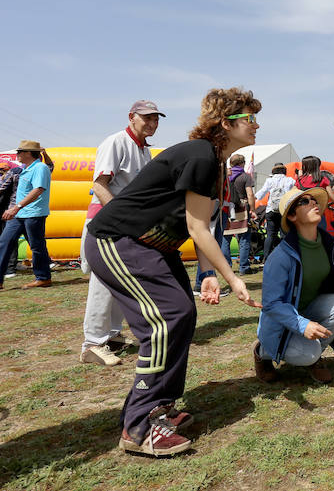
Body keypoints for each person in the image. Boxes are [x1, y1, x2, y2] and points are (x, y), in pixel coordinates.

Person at [84, 88, 262, 457]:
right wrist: (233, 277)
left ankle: (162, 405)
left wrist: (209, 272)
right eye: (249, 118)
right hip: (118, 240)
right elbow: (198, 227)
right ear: (225, 123)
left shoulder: (214, 163)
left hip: (154, 246)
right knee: (165, 321)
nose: (256, 125)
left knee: (183, 314)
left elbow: (198, 222)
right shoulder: (200, 155)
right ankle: (139, 426)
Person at [80, 100, 164, 367]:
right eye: (147, 118)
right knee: (103, 282)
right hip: (107, 222)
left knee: (119, 279)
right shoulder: (115, 142)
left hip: (124, 223)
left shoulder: (143, 150)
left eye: (156, 119)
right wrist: (121, 216)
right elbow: (99, 183)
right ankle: (92, 344)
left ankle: (112, 335)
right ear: (131, 117)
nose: (152, 123)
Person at [253, 186, 334, 385]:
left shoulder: (328, 243)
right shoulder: (280, 256)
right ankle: (262, 351)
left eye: (314, 200)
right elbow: (271, 304)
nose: (313, 203)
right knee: (310, 353)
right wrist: (302, 324)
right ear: (291, 216)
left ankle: (311, 356)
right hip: (280, 323)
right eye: (304, 202)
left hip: (309, 310)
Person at [0, 141, 53, 289]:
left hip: (33, 213)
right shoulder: (23, 169)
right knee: (4, 242)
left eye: (19, 152)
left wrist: (16, 208)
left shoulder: (40, 168)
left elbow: (38, 189)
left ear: (28, 153)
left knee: (37, 246)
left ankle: (43, 278)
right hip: (19, 214)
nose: (17, 155)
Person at [255, 163, 296, 261]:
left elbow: (260, 194)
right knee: (284, 234)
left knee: (270, 235)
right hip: (284, 210)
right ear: (284, 171)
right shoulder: (290, 180)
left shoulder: (270, 180)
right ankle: (285, 257)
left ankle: (266, 258)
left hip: (271, 210)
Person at [225, 154, 256, 275]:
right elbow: (250, 194)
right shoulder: (245, 176)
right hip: (242, 208)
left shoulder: (225, 175)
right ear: (242, 163)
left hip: (227, 208)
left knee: (225, 238)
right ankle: (244, 267)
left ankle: (227, 268)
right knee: (244, 239)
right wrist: (253, 209)